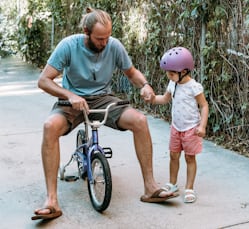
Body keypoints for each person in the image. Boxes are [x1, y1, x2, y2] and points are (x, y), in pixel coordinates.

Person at [31, 8, 177, 221]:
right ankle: (52, 200)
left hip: (103, 99)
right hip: (72, 101)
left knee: (140, 120)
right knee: (49, 127)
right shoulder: (69, 46)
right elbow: (43, 80)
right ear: (86, 32)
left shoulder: (114, 45)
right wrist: (69, 95)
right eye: (99, 39)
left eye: (107, 37)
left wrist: (144, 85)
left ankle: (150, 187)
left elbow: (132, 72)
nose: (104, 43)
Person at [150, 47, 209, 203]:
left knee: (190, 158)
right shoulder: (172, 83)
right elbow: (164, 99)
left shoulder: (194, 87)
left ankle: (189, 188)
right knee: (173, 155)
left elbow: (204, 106)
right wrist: (152, 99)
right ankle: (172, 184)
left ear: (183, 71)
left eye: (171, 73)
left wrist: (202, 126)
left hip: (191, 129)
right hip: (176, 127)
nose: (168, 75)